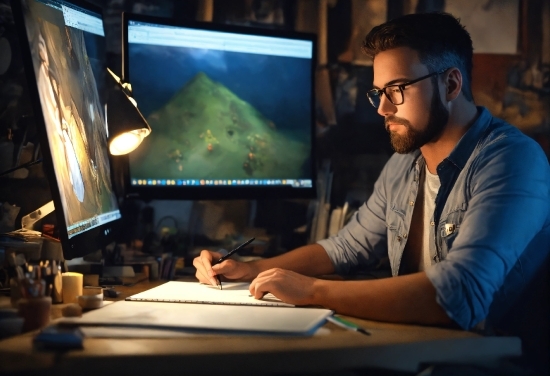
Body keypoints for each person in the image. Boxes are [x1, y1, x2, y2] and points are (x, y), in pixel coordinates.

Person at [194, 12, 550, 371]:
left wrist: (313, 292)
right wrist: (253, 268)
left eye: (397, 90)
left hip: (491, 364)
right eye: (378, 92)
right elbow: (347, 247)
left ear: (451, 85)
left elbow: (460, 293)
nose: (382, 108)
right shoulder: (405, 162)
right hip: (421, 353)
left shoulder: (512, 160)